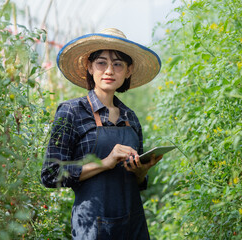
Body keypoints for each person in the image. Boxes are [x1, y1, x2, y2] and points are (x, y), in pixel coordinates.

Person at [41, 28, 162, 239]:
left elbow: (138, 182)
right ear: (89, 66)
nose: (109, 71)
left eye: (117, 64)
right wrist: (105, 163)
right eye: (101, 63)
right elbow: (51, 174)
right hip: (91, 227)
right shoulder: (71, 112)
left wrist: (141, 170)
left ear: (128, 70)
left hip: (133, 225)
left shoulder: (130, 117)